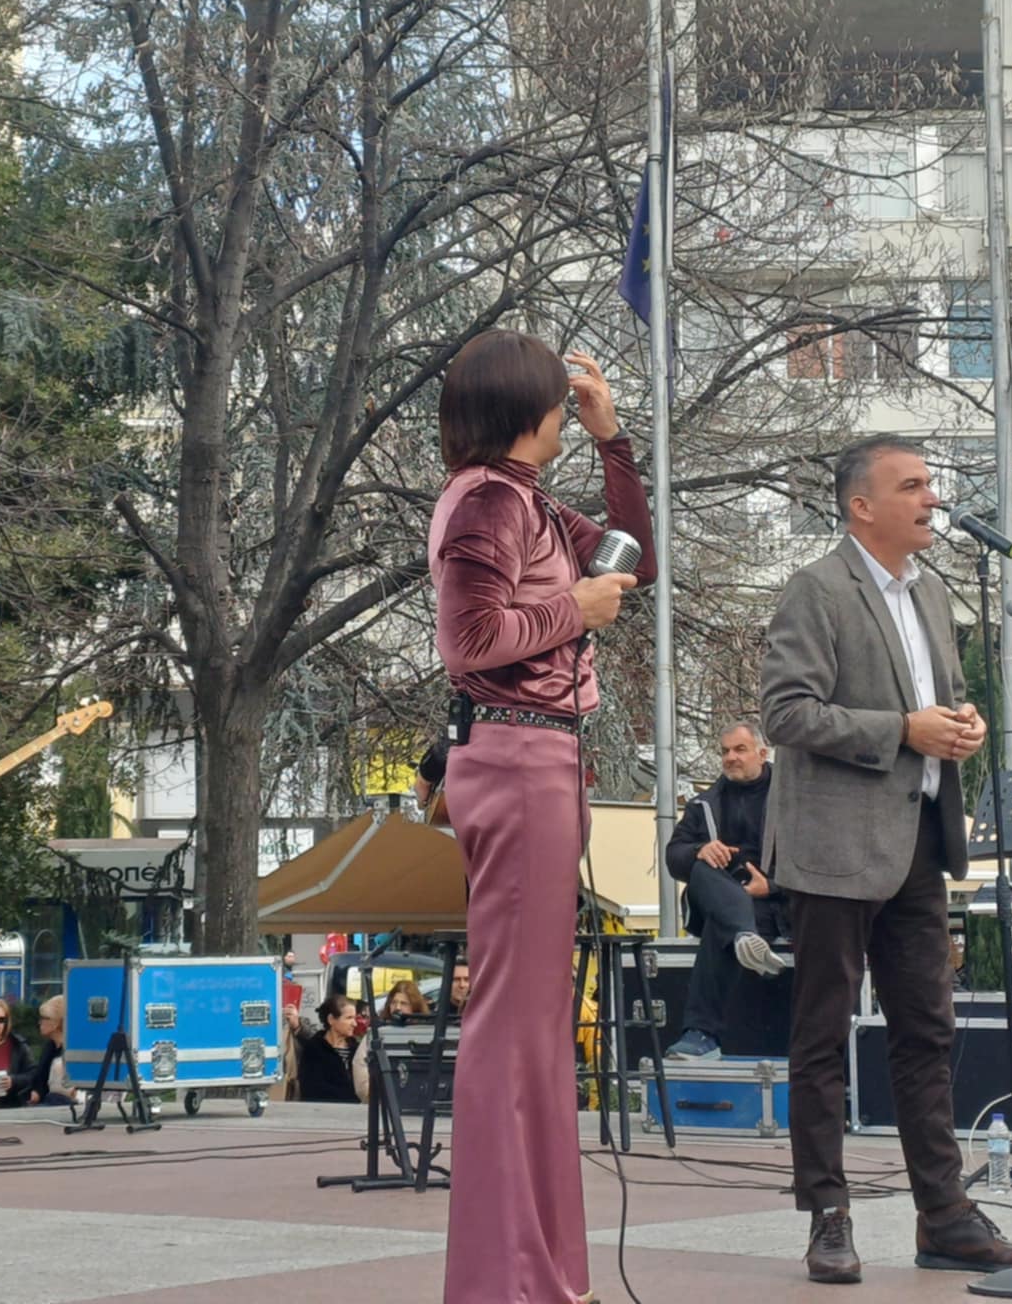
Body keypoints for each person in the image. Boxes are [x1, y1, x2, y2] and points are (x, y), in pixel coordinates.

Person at [759, 434, 1012, 1283]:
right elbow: (786, 713)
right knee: (822, 1036)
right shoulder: (817, 588)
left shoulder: (933, 594)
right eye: (911, 485)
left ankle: (942, 1216)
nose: (932, 499)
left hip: (918, 841)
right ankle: (828, 1216)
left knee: (926, 1031)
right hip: (834, 847)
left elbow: (932, 707)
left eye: (931, 484)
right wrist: (902, 732)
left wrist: (961, 725)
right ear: (860, 505)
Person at [428, 331, 656, 1304]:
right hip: (516, 748)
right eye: (563, 407)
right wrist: (577, 610)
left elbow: (631, 559)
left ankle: (542, 1267)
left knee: (533, 1025)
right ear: (526, 411)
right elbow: (469, 643)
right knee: (512, 1024)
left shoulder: (514, 500)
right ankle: (502, 1277)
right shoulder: (486, 502)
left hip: (538, 753)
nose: (567, 415)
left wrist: (615, 446)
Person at [664, 723, 786, 1059]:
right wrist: (699, 850)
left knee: (723, 925)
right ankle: (744, 936)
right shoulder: (703, 803)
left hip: (771, 905)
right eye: (725, 751)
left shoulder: (793, 797)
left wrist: (772, 885)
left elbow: (819, 855)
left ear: (762, 753)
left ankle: (701, 1034)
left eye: (740, 749)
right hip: (721, 899)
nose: (730, 757)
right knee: (701, 867)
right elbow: (673, 857)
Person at [291, 995, 369, 1104]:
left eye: (355, 1018)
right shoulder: (314, 1049)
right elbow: (311, 1089)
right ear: (331, 1019)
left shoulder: (357, 1049)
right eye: (349, 1018)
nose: (354, 1024)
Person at [27, 994, 75, 1106]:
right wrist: (37, 1092)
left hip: (63, 1106)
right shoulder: (50, 1047)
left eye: (44, 1018)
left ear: (57, 1022)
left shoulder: (71, 1051)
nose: (40, 1022)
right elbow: (41, 1079)